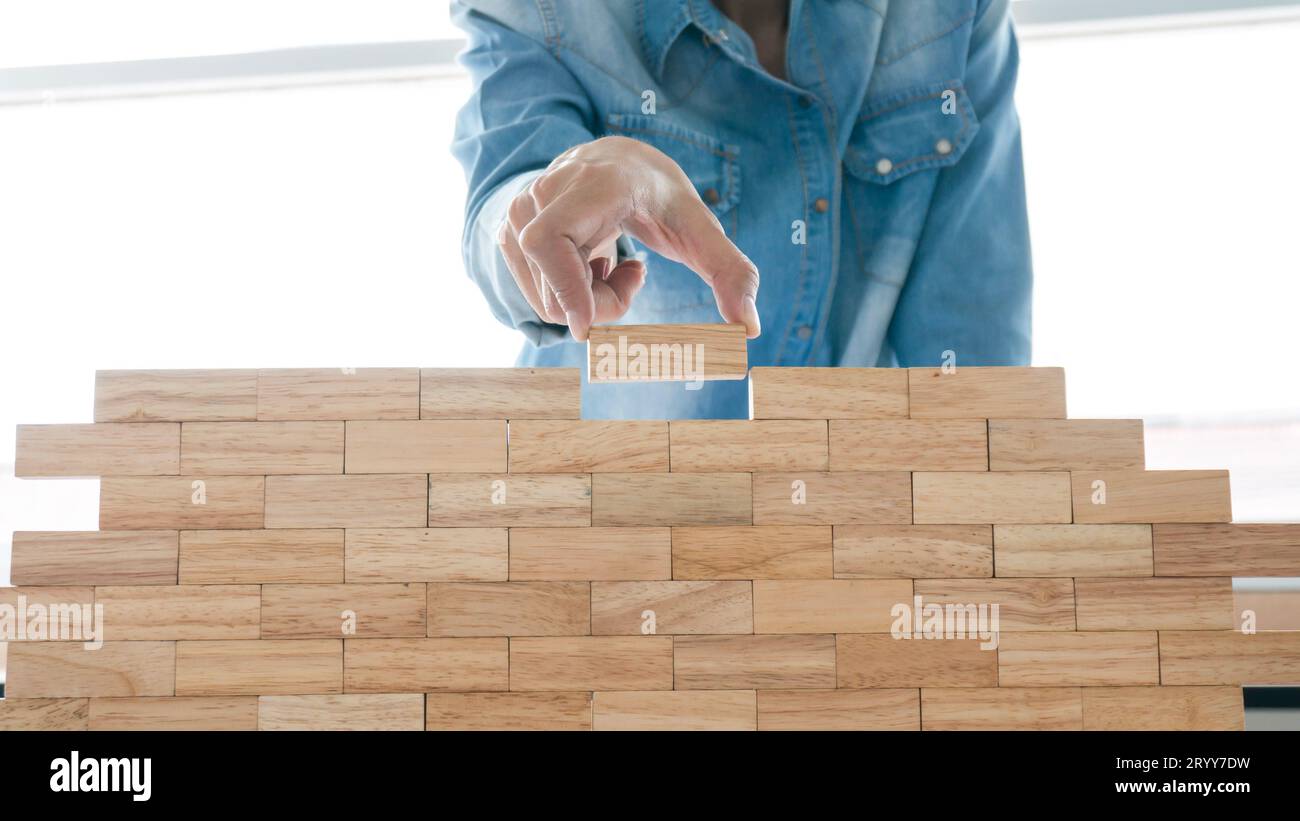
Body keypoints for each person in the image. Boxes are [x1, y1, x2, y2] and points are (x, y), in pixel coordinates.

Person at [452, 0, 1031, 418]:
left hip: (852, 526)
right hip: (612, 520)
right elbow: (503, 207)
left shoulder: (953, 12)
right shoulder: (538, 10)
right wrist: (555, 211)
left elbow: (975, 353)